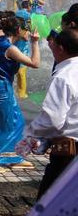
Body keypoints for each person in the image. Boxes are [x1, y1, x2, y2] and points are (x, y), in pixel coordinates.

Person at [0, 15, 40, 172]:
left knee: (13, 122)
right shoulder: (10, 48)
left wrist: (24, 40)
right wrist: (35, 43)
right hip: (1, 87)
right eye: (25, 29)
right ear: (19, 30)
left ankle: (13, 156)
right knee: (8, 125)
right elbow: (35, 63)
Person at [26, 28, 78, 199]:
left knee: (49, 200)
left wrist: (30, 134)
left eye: (54, 43)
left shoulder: (63, 77)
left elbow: (53, 121)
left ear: (61, 48)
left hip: (68, 151)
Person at [14, 17, 31, 99]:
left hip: (24, 54)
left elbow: (26, 38)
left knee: (21, 73)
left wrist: (21, 34)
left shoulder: (26, 31)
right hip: (16, 53)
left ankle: (22, 93)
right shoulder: (15, 31)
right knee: (17, 72)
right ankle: (18, 90)